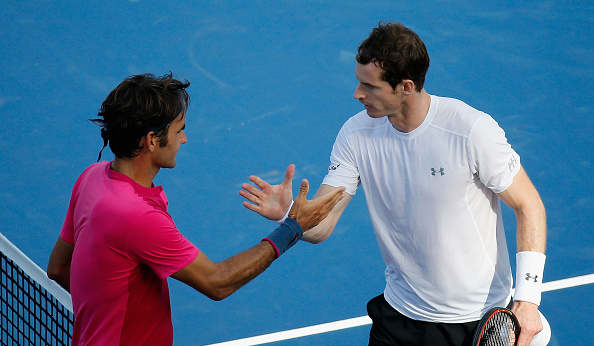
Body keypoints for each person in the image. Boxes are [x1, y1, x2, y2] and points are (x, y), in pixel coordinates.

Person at [240, 23, 550, 346]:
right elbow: (323, 224)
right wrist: (291, 215)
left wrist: (528, 299)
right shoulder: (355, 135)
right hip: (399, 318)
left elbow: (529, 205)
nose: (357, 94)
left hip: (475, 322)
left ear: (406, 87)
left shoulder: (470, 131)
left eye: (369, 86)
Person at [46, 73, 345, 345]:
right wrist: (292, 227)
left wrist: (104, 316)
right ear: (152, 141)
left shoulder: (92, 177)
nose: (184, 139)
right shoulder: (136, 216)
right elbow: (217, 282)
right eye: (179, 131)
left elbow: (58, 268)